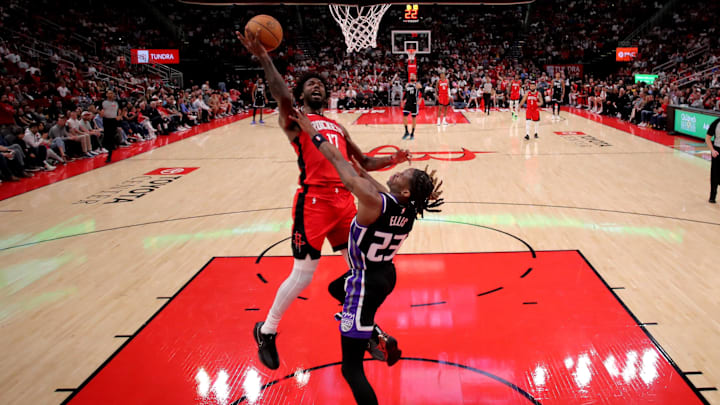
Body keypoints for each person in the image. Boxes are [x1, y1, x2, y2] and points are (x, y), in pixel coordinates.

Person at [236, 29, 411, 371]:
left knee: (360, 271)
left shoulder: (337, 126)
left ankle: (368, 329)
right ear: (300, 94)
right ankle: (267, 330)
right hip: (313, 203)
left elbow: (362, 164)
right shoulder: (295, 120)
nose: (317, 86)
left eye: (321, 84)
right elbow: (280, 94)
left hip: (345, 202)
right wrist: (264, 58)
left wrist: (394, 160)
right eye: (310, 84)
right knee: (303, 275)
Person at [288, 107, 443, 405]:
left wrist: (311, 130)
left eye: (403, 175)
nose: (397, 173)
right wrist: (360, 165)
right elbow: (371, 183)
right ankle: (375, 333)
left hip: (365, 284)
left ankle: (370, 333)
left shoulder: (374, 200)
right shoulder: (407, 210)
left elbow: (335, 160)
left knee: (351, 369)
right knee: (335, 288)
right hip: (385, 275)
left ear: (407, 192)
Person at [402, 74, 421, 140]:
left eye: (413, 76)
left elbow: (423, 92)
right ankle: (406, 131)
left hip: (414, 103)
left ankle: (412, 133)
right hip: (407, 103)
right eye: (411, 76)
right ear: (409, 77)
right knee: (404, 116)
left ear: (415, 77)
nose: (412, 77)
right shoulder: (407, 85)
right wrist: (402, 100)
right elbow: (406, 94)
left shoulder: (417, 84)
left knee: (413, 118)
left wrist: (421, 99)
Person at [102, 91, 119, 163]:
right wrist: (100, 113)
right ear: (106, 94)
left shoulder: (116, 103)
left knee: (112, 136)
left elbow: (121, 110)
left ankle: (110, 153)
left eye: (112, 93)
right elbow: (98, 109)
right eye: (109, 93)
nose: (111, 94)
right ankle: (107, 148)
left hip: (113, 120)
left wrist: (119, 116)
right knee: (107, 136)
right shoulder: (103, 103)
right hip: (106, 120)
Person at [706, 117, 720, 203]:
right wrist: (712, 150)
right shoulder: (716, 122)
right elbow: (707, 138)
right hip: (717, 151)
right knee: (715, 175)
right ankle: (712, 196)